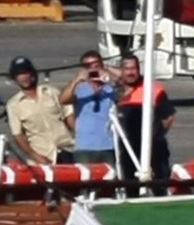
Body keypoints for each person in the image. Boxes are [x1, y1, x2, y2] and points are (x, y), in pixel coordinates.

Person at [117, 54, 176, 186]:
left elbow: (168, 117)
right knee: (130, 186)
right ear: (121, 71)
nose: (131, 72)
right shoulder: (116, 92)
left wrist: (156, 135)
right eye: (127, 69)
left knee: (160, 185)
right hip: (127, 148)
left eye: (134, 69)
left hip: (154, 148)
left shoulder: (153, 89)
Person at [4, 56, 74, 165]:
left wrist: (84, 139)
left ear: (32, 73)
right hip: (42, 156)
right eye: (20, 74)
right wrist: (36, 157)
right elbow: (18, 136)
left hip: (67, 150)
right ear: (15, 78)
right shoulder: (14, 104)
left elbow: (69, 116)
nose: (24, 77)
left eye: (26, 72)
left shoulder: (52, 92)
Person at [66, 50, 121, 167]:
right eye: (88, 66)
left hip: (107, 145)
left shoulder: (110, 89)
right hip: (85, 147)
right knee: (86, 182)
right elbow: (63, 100)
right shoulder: (80, 89)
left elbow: (125, 80)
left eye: (96, 65)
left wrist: (106, 69)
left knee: (110, 182)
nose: (92, 69)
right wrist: (76, 80)